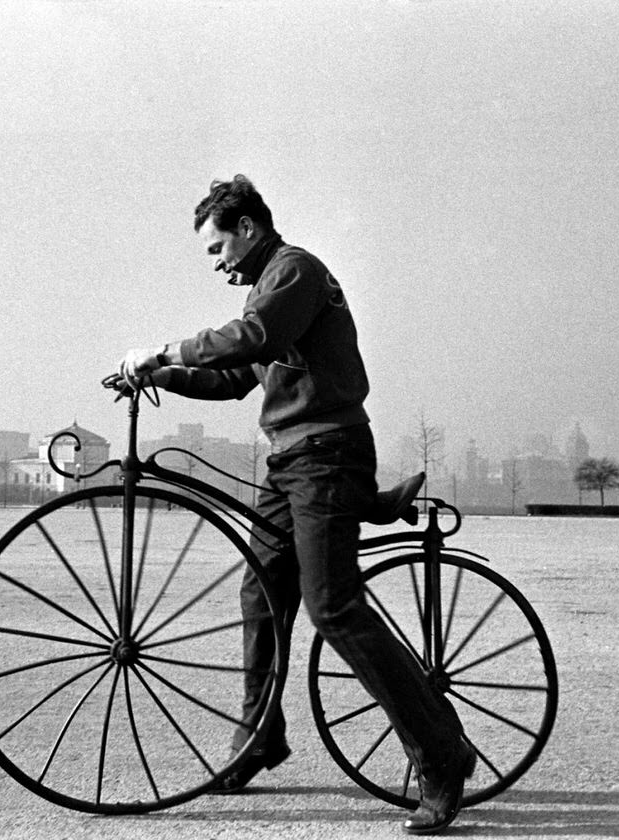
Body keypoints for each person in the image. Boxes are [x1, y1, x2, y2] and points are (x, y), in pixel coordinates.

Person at [117, 175, 474, 835]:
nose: (216, 260)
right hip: (289, 463)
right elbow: (233, 379)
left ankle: (443, 756)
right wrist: (161, 375)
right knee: (260, 594)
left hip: (326, 456)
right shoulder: (268, 288)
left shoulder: (294, 274)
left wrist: (165, 347)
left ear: (246, 228)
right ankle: (258, 737)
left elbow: (251, 336)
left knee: (334, 606)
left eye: (216, 246)